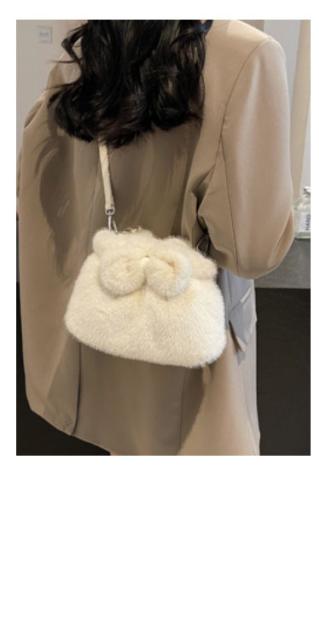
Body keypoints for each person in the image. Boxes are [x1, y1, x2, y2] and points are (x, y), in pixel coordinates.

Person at [17, 20, 294, 455]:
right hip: (193, 377)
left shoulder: (88, 51)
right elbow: (253, 250)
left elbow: (38, 193)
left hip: (102, 360)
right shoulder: (246, 56)